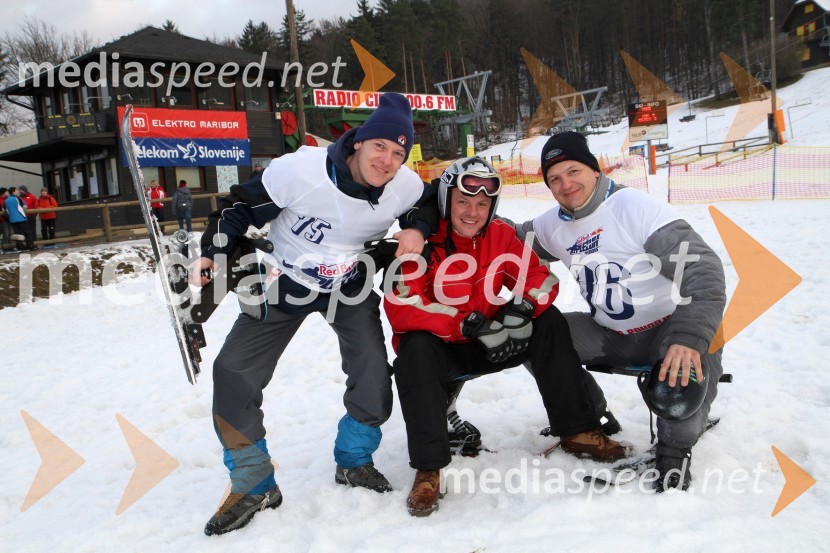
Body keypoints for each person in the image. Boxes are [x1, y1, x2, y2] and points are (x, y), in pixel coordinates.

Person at [193, 93, 438, 536]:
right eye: (380, 146)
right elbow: (237, 208)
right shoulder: (301, 170)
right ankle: (253, 481)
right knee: (232, 370)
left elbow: (427, 204)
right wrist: (213, 252)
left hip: (349, 282)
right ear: (359, 141)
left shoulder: (403, 185)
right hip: (285, 278)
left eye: (398, 154)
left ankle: (354, 460)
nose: (387, 161)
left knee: (372, 369)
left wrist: (417, 229)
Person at [383, 157, 627, 517]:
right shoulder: (420, 241)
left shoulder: (499, 234)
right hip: (444, 346)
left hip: (494, 340)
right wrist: (466, 324)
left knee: (549, 322)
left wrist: (521, 309)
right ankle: (428, 469)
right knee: (413, 351)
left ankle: (577, 431)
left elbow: (540, 277)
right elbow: (403, 306)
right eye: (463, 202)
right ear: (446, 201)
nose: (472, 213)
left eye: (482, 204)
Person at [506, 132, 726, 492]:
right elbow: (504, 236)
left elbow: (704, 272)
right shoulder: (552, 224)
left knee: (680, 409)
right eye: (554, 178)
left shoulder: (634, 208)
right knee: (533, 336)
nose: (565, 184)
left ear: (595, 169)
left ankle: (676, 447)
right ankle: (588, 417)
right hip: (610, 334)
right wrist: (451, 206)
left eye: (573, 171)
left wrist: (688, 338)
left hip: (670, 331)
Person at [0, 187, 12, 252]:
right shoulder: (0, 200)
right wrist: (2, 220)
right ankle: (5, 248)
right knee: (5, 234)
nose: (8, 193)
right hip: (3, 220)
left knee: (11, 233)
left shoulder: (7, 199)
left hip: (9, 219)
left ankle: (11, 247)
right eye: (6, 191)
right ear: (3, 193)